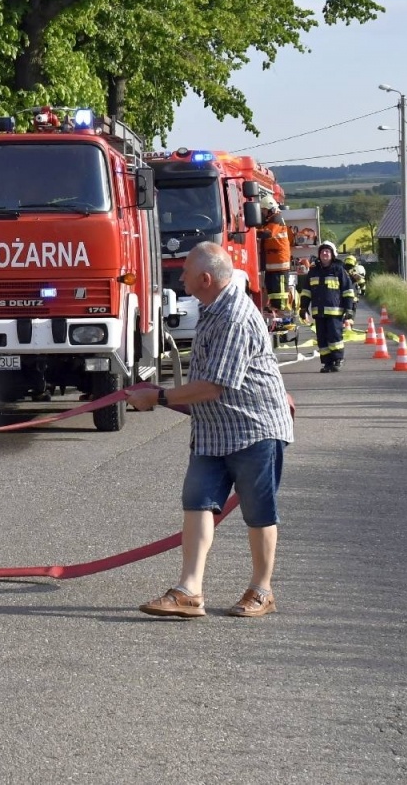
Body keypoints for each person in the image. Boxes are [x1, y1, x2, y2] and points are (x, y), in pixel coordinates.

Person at [129, 242, 295, 619]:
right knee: (197, 501)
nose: (180, 276)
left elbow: (213, 385)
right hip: (213, 431)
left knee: (258, 511)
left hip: (254, 429)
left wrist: (157, 396)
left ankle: (261, 590)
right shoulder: (211, 308)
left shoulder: (234, 316)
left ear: (205, 279)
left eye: (186, 271)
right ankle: (189, 591)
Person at [299, 240, 355, 372]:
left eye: (327, 251)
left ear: (332, 254)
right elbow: (306, 291)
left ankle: (337, 360)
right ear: (319, 255)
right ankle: (327, 363)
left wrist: (349, 309)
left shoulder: (339, 270)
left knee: (334, 337)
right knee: (322, 339)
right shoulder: (313, 272)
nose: (325, 253)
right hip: (319, 313)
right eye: (322, 251)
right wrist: (303, 307)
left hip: (335, 313)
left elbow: (347, 291)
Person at [257, 196, 292, 311]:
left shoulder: (277, 219)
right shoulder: (270, 220)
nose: (262, 213)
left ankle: (280, 308)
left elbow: (268, 233)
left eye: (264, 210)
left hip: (279, 262)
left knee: (279, 288)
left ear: (270, 209)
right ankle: (273, 306)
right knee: (271, 287)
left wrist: (253, 232)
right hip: (273, 262)